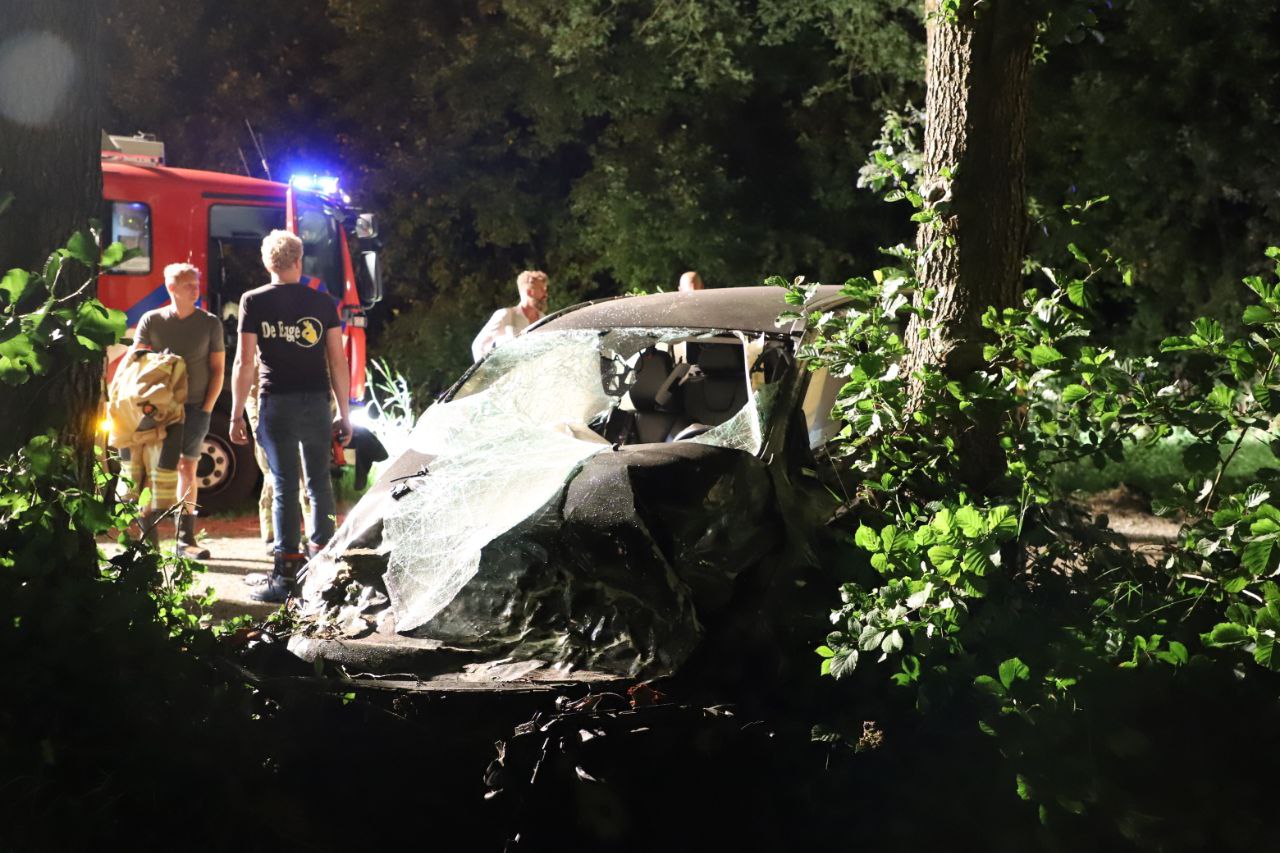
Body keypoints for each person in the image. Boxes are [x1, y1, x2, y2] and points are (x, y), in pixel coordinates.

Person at [229, 230, 352, 603]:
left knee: (285, 486)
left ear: (267, 262)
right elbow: (337, 360)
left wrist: (236, 414)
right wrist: (344, 413)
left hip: (275, 402)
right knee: (319, 483)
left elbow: (244, 362)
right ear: (299, 261)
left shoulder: (253, 301)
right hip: (316, 402)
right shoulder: (322, 302)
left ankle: (285, 576)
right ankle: (325, 570)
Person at [131, 262, 225, 558]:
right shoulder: (152, 320)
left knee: (187, 468)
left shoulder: (210, 323)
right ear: (171, 288)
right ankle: (148, 540)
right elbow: (135, 360)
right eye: (189, 286)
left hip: (195, 407)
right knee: (151, 471)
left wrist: (207, 408)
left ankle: (186, 540)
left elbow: (218, 369)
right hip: (157, 408)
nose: (196, 290)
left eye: (197, 285)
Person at [470, 269, 549, 361]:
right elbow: (478, 346)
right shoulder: (505, 315)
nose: (545, 294)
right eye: (541, 289)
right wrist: (488, 369)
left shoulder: (545, 320)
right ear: (529, 292)